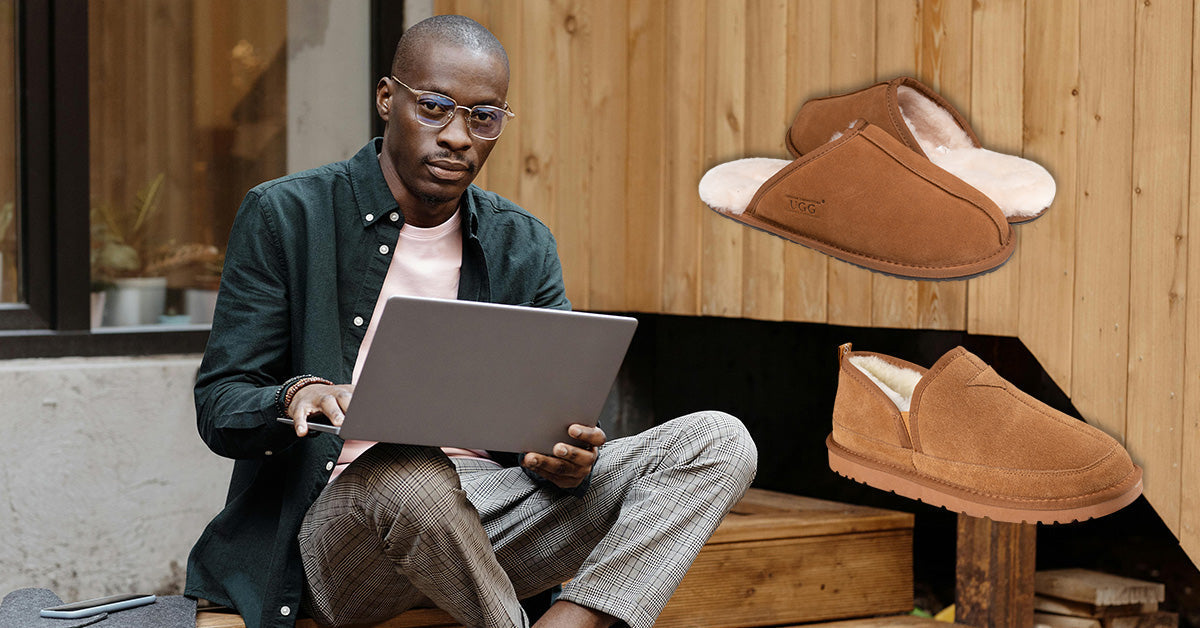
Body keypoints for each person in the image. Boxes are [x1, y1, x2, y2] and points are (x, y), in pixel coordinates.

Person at [185, 14, 757, 628]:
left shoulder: (523, 242)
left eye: (483, 117)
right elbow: (221, 403)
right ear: (386, 98)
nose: (458, 136)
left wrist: (565, 455)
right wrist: (300, 392)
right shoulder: (288, 215)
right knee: (408, 469)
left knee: (720, 440)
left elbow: (557, 419)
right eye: (434, 107)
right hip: (345, 531)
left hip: (496, 511)